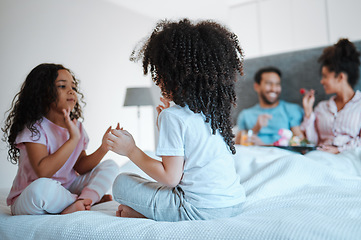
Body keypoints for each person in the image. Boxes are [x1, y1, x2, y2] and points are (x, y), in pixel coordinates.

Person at [107, 19, 246, 221]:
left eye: (160, 72)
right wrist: (161, 123)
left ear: (174, 75)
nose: (158, 80)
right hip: (233, 203)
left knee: (121, 182)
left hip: (198, 210)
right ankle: (147, 211)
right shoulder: (213, 113)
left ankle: (150, 213)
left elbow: (170, 178)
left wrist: (131, 150)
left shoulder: (174, 116)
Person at [2, 63, 119, 215]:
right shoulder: (34, 128)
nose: (71, 91)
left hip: (67, 187)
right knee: (41, 189)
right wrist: (73, 139)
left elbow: (81, 167)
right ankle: (83, 201)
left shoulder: (77, 126)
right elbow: (43, 172)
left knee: (110, 166)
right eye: (62, 86)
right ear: (43, 93)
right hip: (31, 192)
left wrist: (104, 148)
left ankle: (82, 201)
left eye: (73, 87)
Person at [300, 38, 361, 154]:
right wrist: (308, 111)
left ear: (341, 77)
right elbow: (312, 141)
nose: (321, 81)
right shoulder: (321, 107)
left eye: (325, 76)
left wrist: (338, 150)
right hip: (320, 157)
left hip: (350, 158)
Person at [235, 67, 304, 145]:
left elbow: (300, 142)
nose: (274, 89)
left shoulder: (292, 109)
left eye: (277, 84)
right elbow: (237, 145)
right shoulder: (245, 115)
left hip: (282, 154)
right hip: (254, 153)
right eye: (269, 84)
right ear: (257, 86)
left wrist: (264, 145)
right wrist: (255, 129)